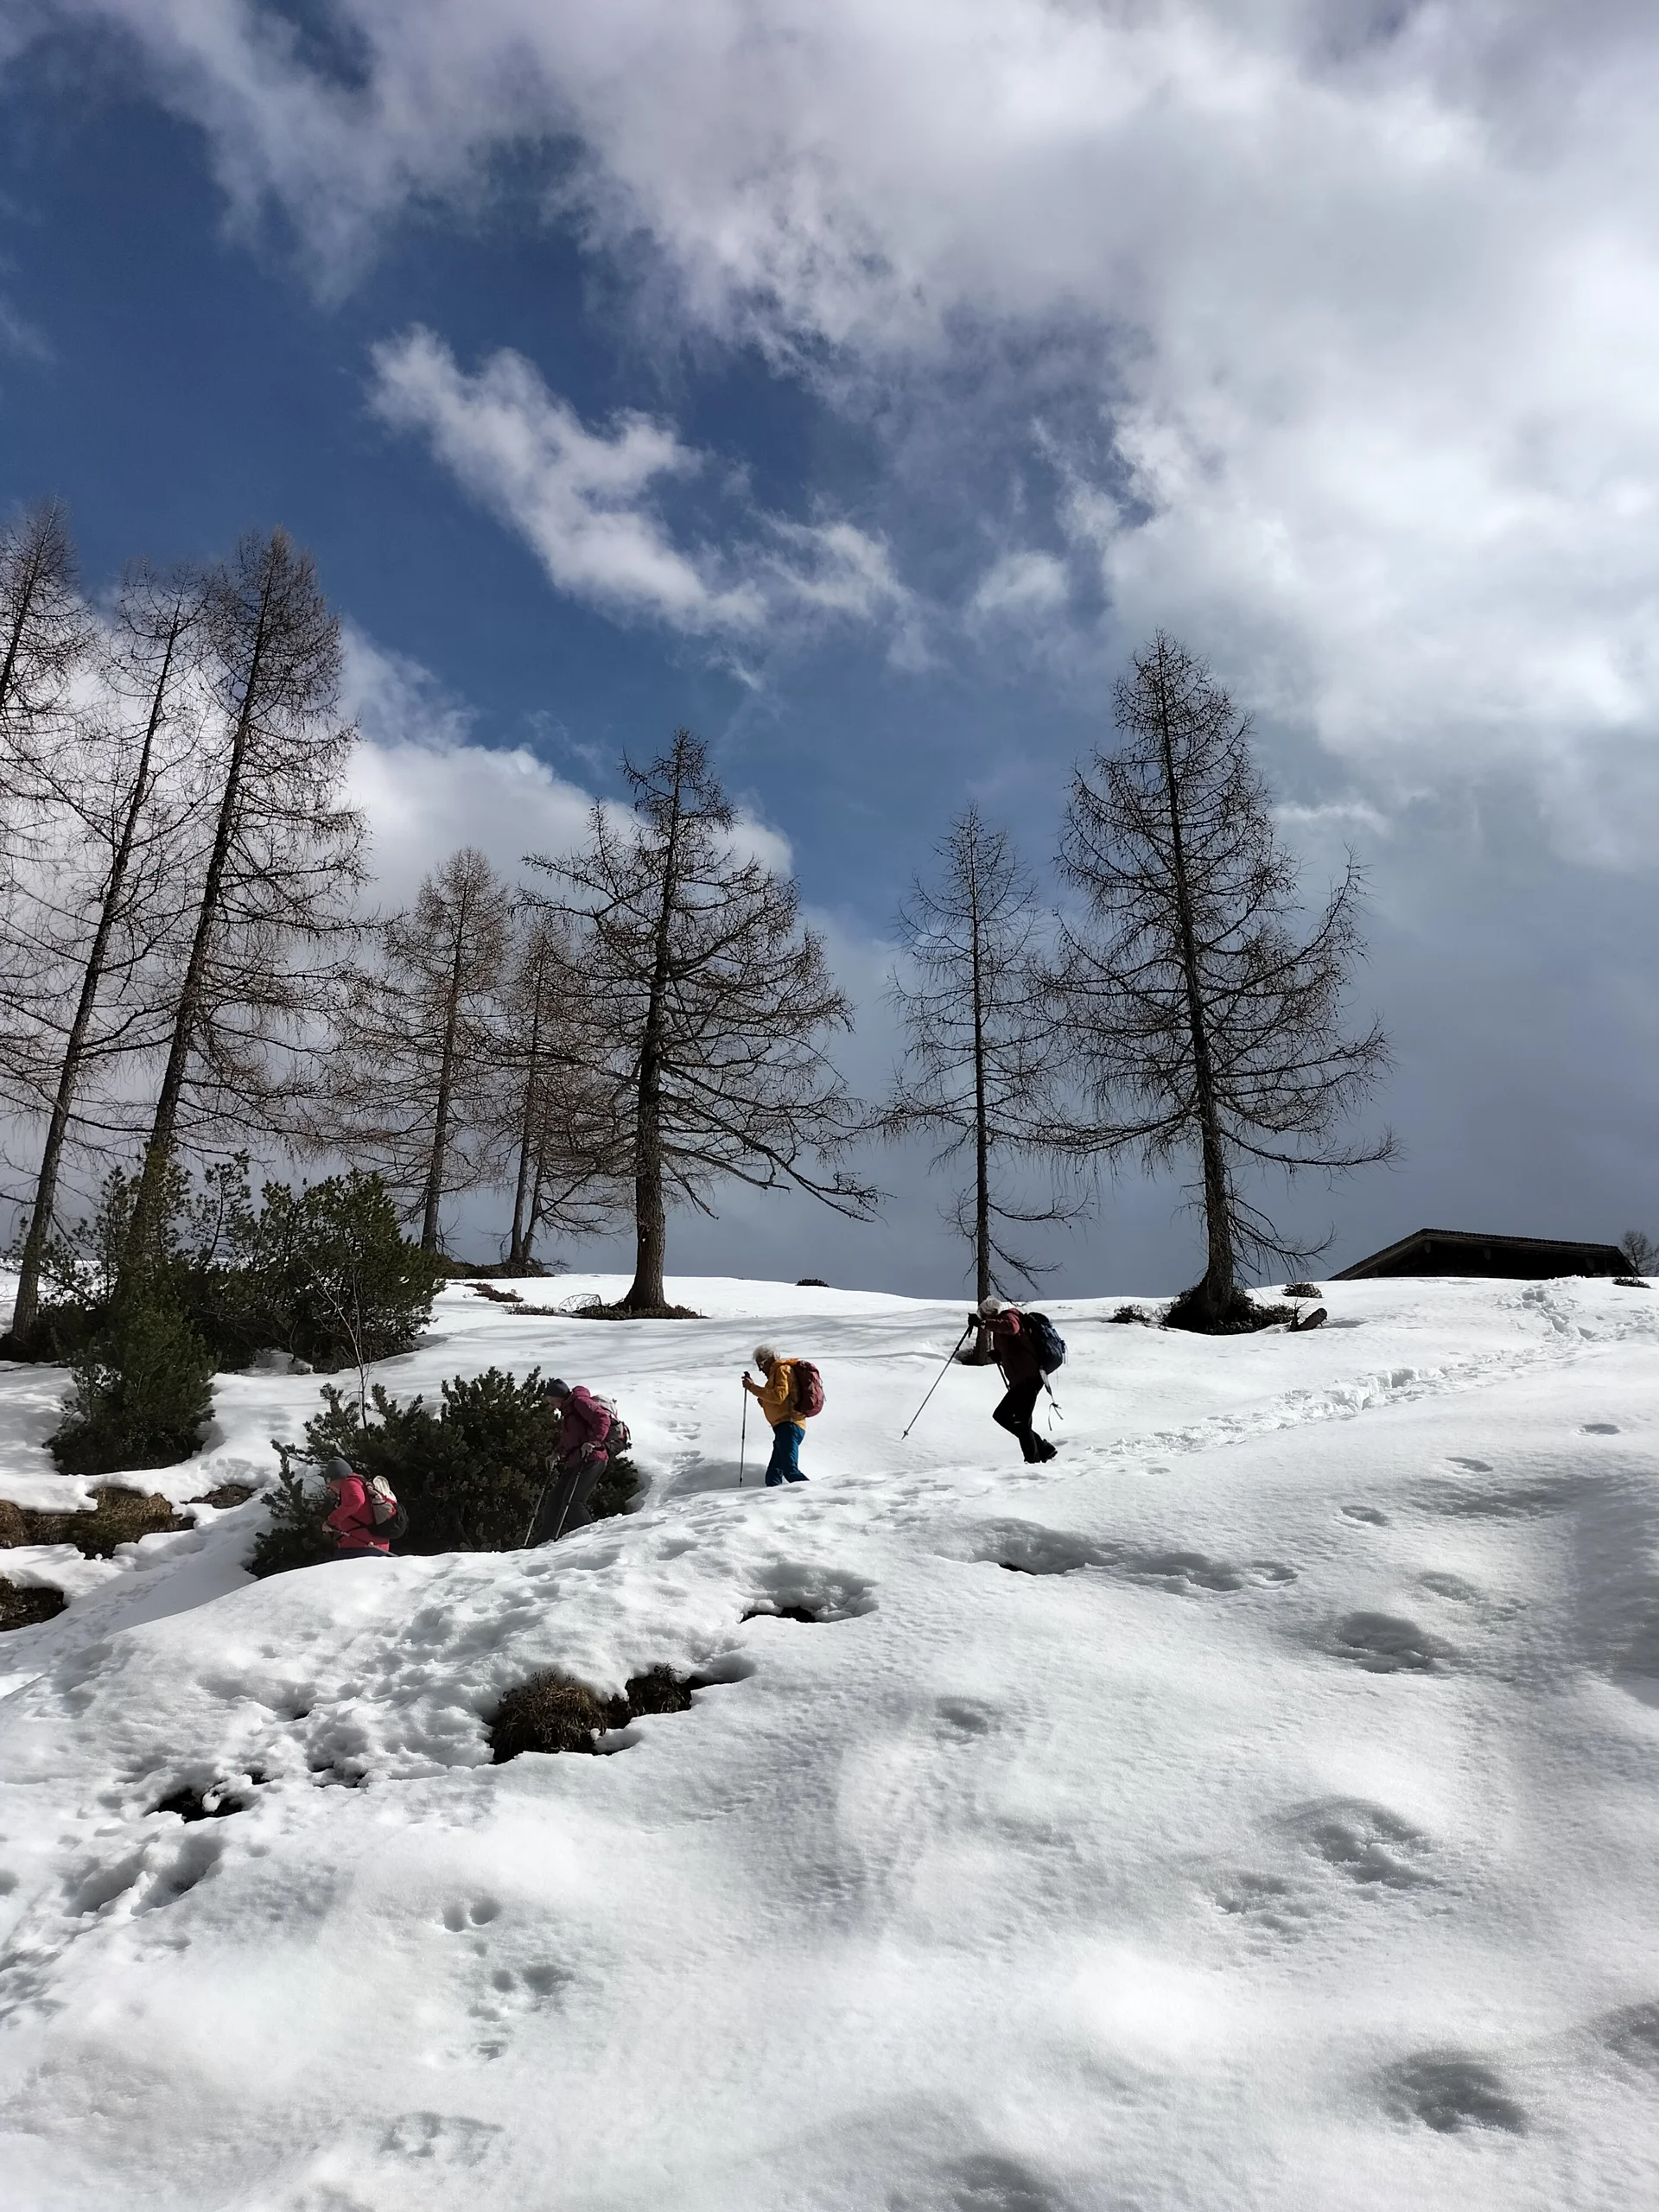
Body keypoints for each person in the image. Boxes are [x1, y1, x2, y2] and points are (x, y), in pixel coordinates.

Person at [963, 1296, 1056, 1464]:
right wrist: (999, 1355)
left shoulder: (1009, 1316)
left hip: (1030, 1377)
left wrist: (983, 1324)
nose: (984, 1320)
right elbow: (1014, 1345)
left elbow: (1012, 1328)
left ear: (992, 1313)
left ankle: (1033, 1460)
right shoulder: (1000, 1325)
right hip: (1023, 1380)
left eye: (985, 1316)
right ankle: (1042, 1449)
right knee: (1006, 1416)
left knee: (1018, 1419)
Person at [530, 1378, 613, 1544]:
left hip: (593, 1458)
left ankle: (592, 1541)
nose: (549, 1404)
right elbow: (571, 1440)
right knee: (555, 1499)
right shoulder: (568, 1411)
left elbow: (603, 1418)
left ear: (557, 1396)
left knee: (574, 1502)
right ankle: (542, 1543)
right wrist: (557, 1454)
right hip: (578, 1460)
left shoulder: (580, 1403)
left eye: (549, 1399)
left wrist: (594, 1442)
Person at [743, 1345, 809, 1486]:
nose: (760, 1369)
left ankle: (818, 1494)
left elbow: (779, 1396)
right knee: (773, 1474)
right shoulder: (776, 1375)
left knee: (789, 1470)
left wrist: (752, 1388)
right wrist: (763, 1399)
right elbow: (779, 1400)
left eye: (760, 1364)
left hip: (790, 1425)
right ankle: (774, 1502)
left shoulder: (782, 1370)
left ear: (769, 1360)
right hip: (783, 1427)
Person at [321, 1455, 391, 1557]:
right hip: (373, 1545)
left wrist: (331, 1521)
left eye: (329, 1485)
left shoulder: (349, 1483)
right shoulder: (360, 1482)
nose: (331, 1489)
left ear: (335, 1479)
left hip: (360, 1547)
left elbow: (357, 1500)